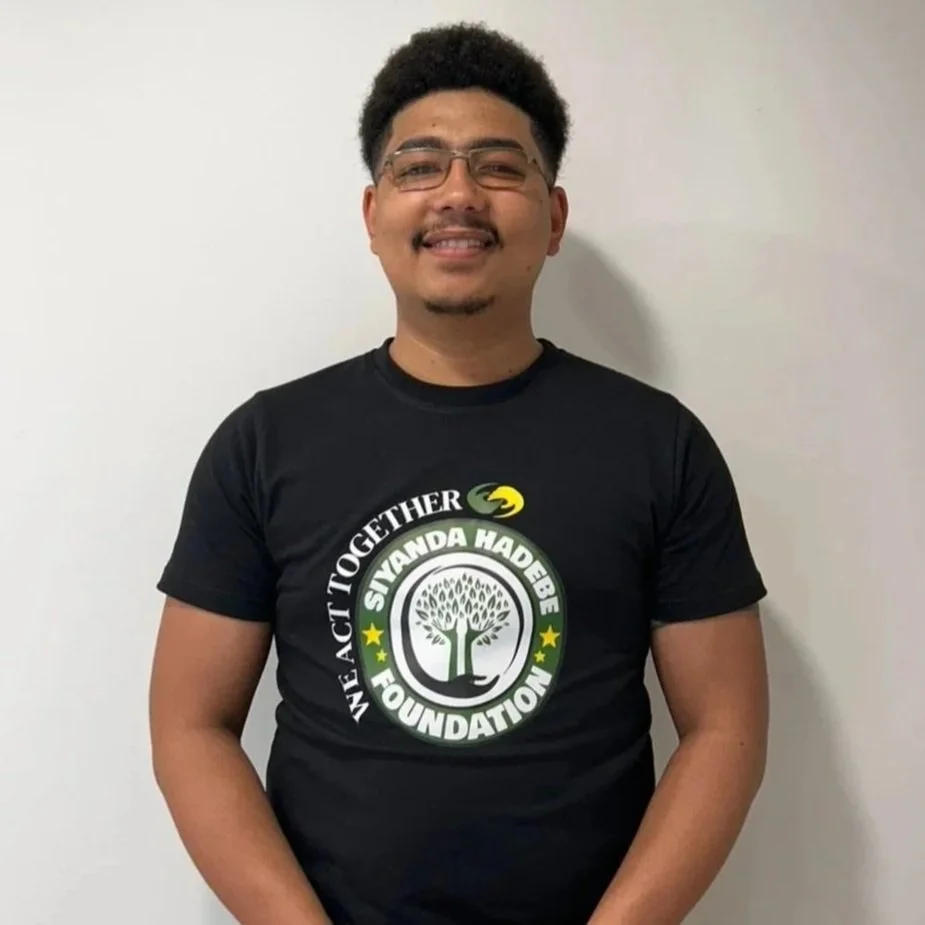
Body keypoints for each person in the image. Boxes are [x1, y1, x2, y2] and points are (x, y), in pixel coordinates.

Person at [149, 22, 769, 925]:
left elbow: (725, 731)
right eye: (419, 166)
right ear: (372, 216)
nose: (458, 195)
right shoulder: (265, 443)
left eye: (498, 166)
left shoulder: (658, 444)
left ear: (552, 218)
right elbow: (188, 726)